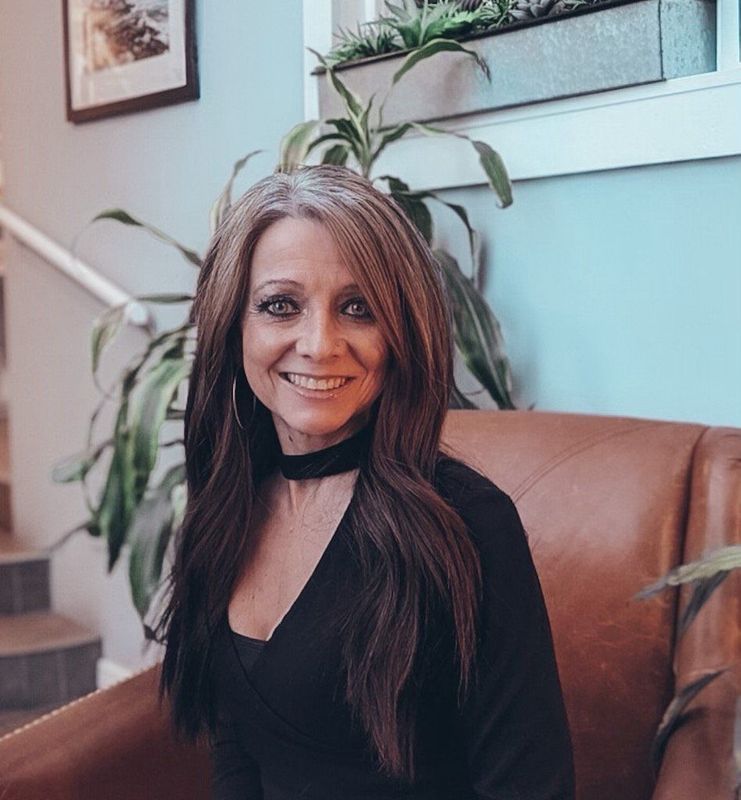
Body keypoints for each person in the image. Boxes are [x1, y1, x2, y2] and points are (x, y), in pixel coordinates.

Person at [157, 164, 575, 799]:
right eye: (280, 306)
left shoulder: (467, 524)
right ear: (233, 327)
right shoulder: (223, 513)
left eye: (358, 309)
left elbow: (531, 785)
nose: (320, 343)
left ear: (401, 331)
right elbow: (235, 752)